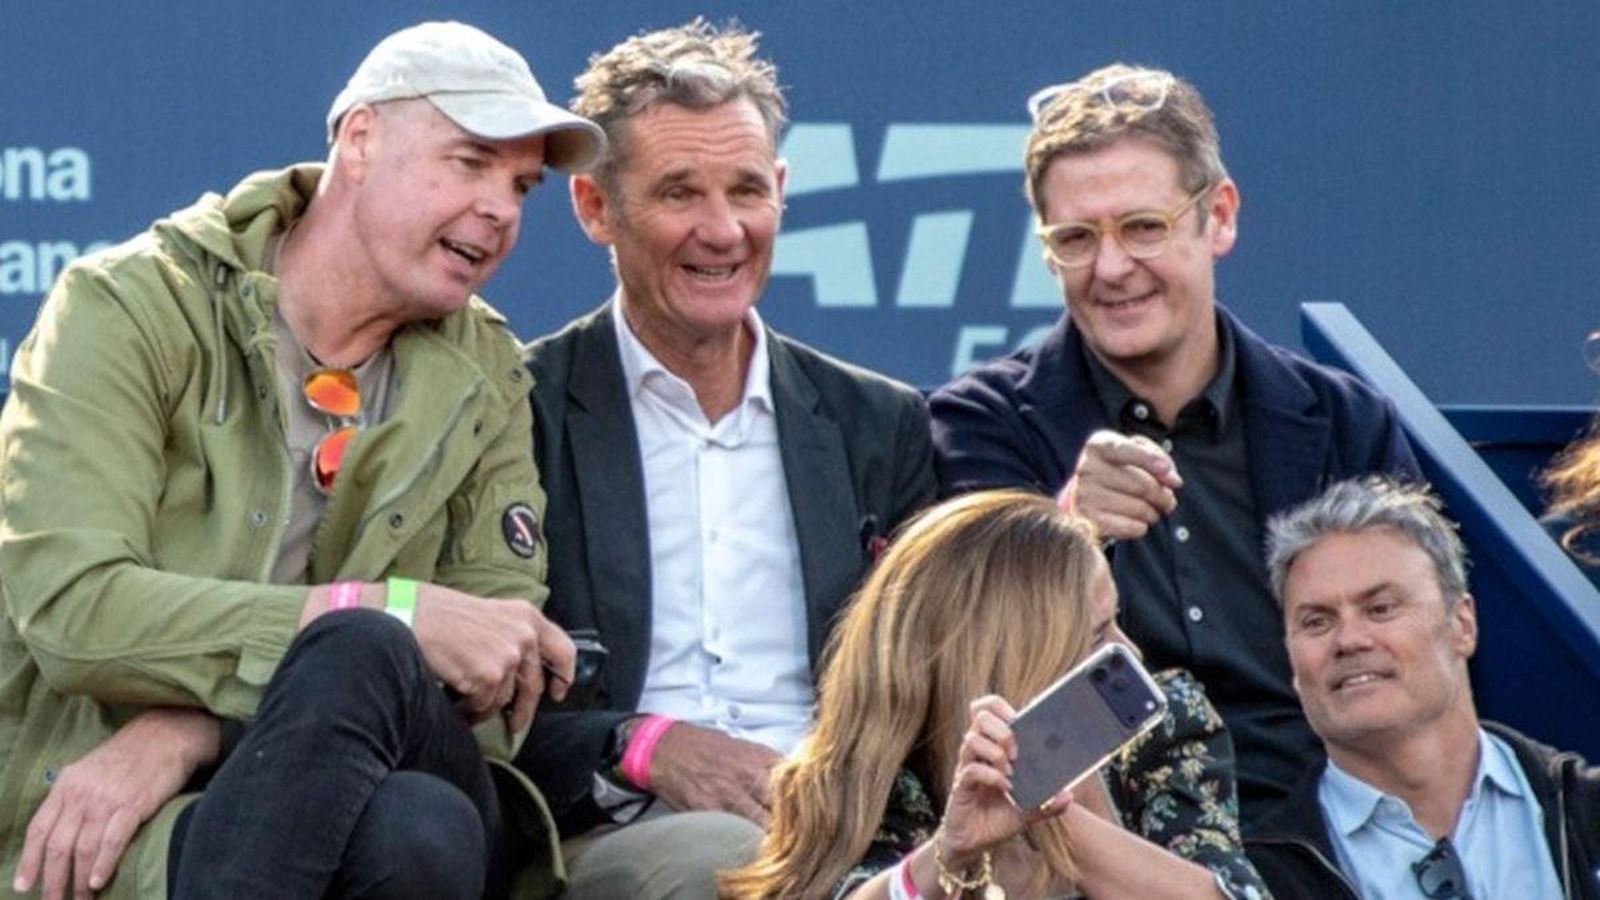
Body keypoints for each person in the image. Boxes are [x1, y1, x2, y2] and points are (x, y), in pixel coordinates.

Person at [0, 21, 605, 900]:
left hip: (384, 751)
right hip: (130, 817)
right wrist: (384, 614)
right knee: (415, 833)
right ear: (359, 142)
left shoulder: (487, 375)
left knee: (368, 653)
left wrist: (194, 730)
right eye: (469, 163)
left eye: (520, 186)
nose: (502, 211)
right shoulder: (131, 308)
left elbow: (490, 674)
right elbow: (73, 609)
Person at [928, 62, 1420, 824]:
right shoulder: (980, 422)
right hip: (1098, 834)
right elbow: (974, 686)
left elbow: (1426, 665)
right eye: (1077, 238)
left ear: (1217, 217)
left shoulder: (1346, 423)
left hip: (1334, 826)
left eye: (1143, 227)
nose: (1113, 267)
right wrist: (1064, 530)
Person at [514, 19, 937, 899]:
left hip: (852, 827)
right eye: (679, 193)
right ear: (597, 208)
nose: (722, 230)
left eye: (747, 190)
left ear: (781, 191)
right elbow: (469, 704)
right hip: (621, 833)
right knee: (721, 862)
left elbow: (925, 683)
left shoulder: (878, 423)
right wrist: (648, 744)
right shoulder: (516, 413)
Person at [720, 490, 1268, 899]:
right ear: (1013, 659)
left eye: (1117, 622)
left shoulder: (1165, 719)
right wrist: (949, 853)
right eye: (1097, 636)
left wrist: (1051, 808)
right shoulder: (876, 766)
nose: (1130, 655)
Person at [1246, 476, 1600, 898]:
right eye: (1316, 622)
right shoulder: (1261, 877)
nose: (1349, 640)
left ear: (1462, 624)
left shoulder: (1584, 812)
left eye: (1380, 608)